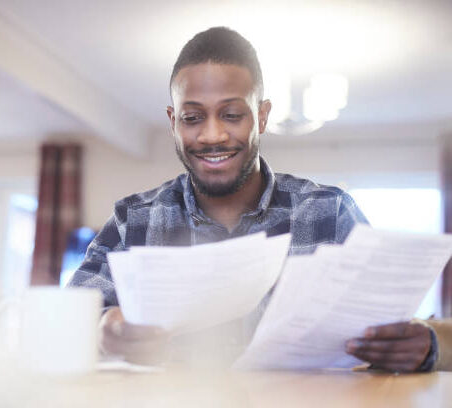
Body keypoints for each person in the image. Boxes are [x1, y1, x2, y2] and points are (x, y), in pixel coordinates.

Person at [68, 27, 451, 372]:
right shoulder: (132, 221)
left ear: (262, 116)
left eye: (232, 114)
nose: (212, 136)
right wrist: (102, 332)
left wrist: (419, 347)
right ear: (173, 122)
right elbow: (64, 326)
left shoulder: (330, 213)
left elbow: (391, 333)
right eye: (192, 118)